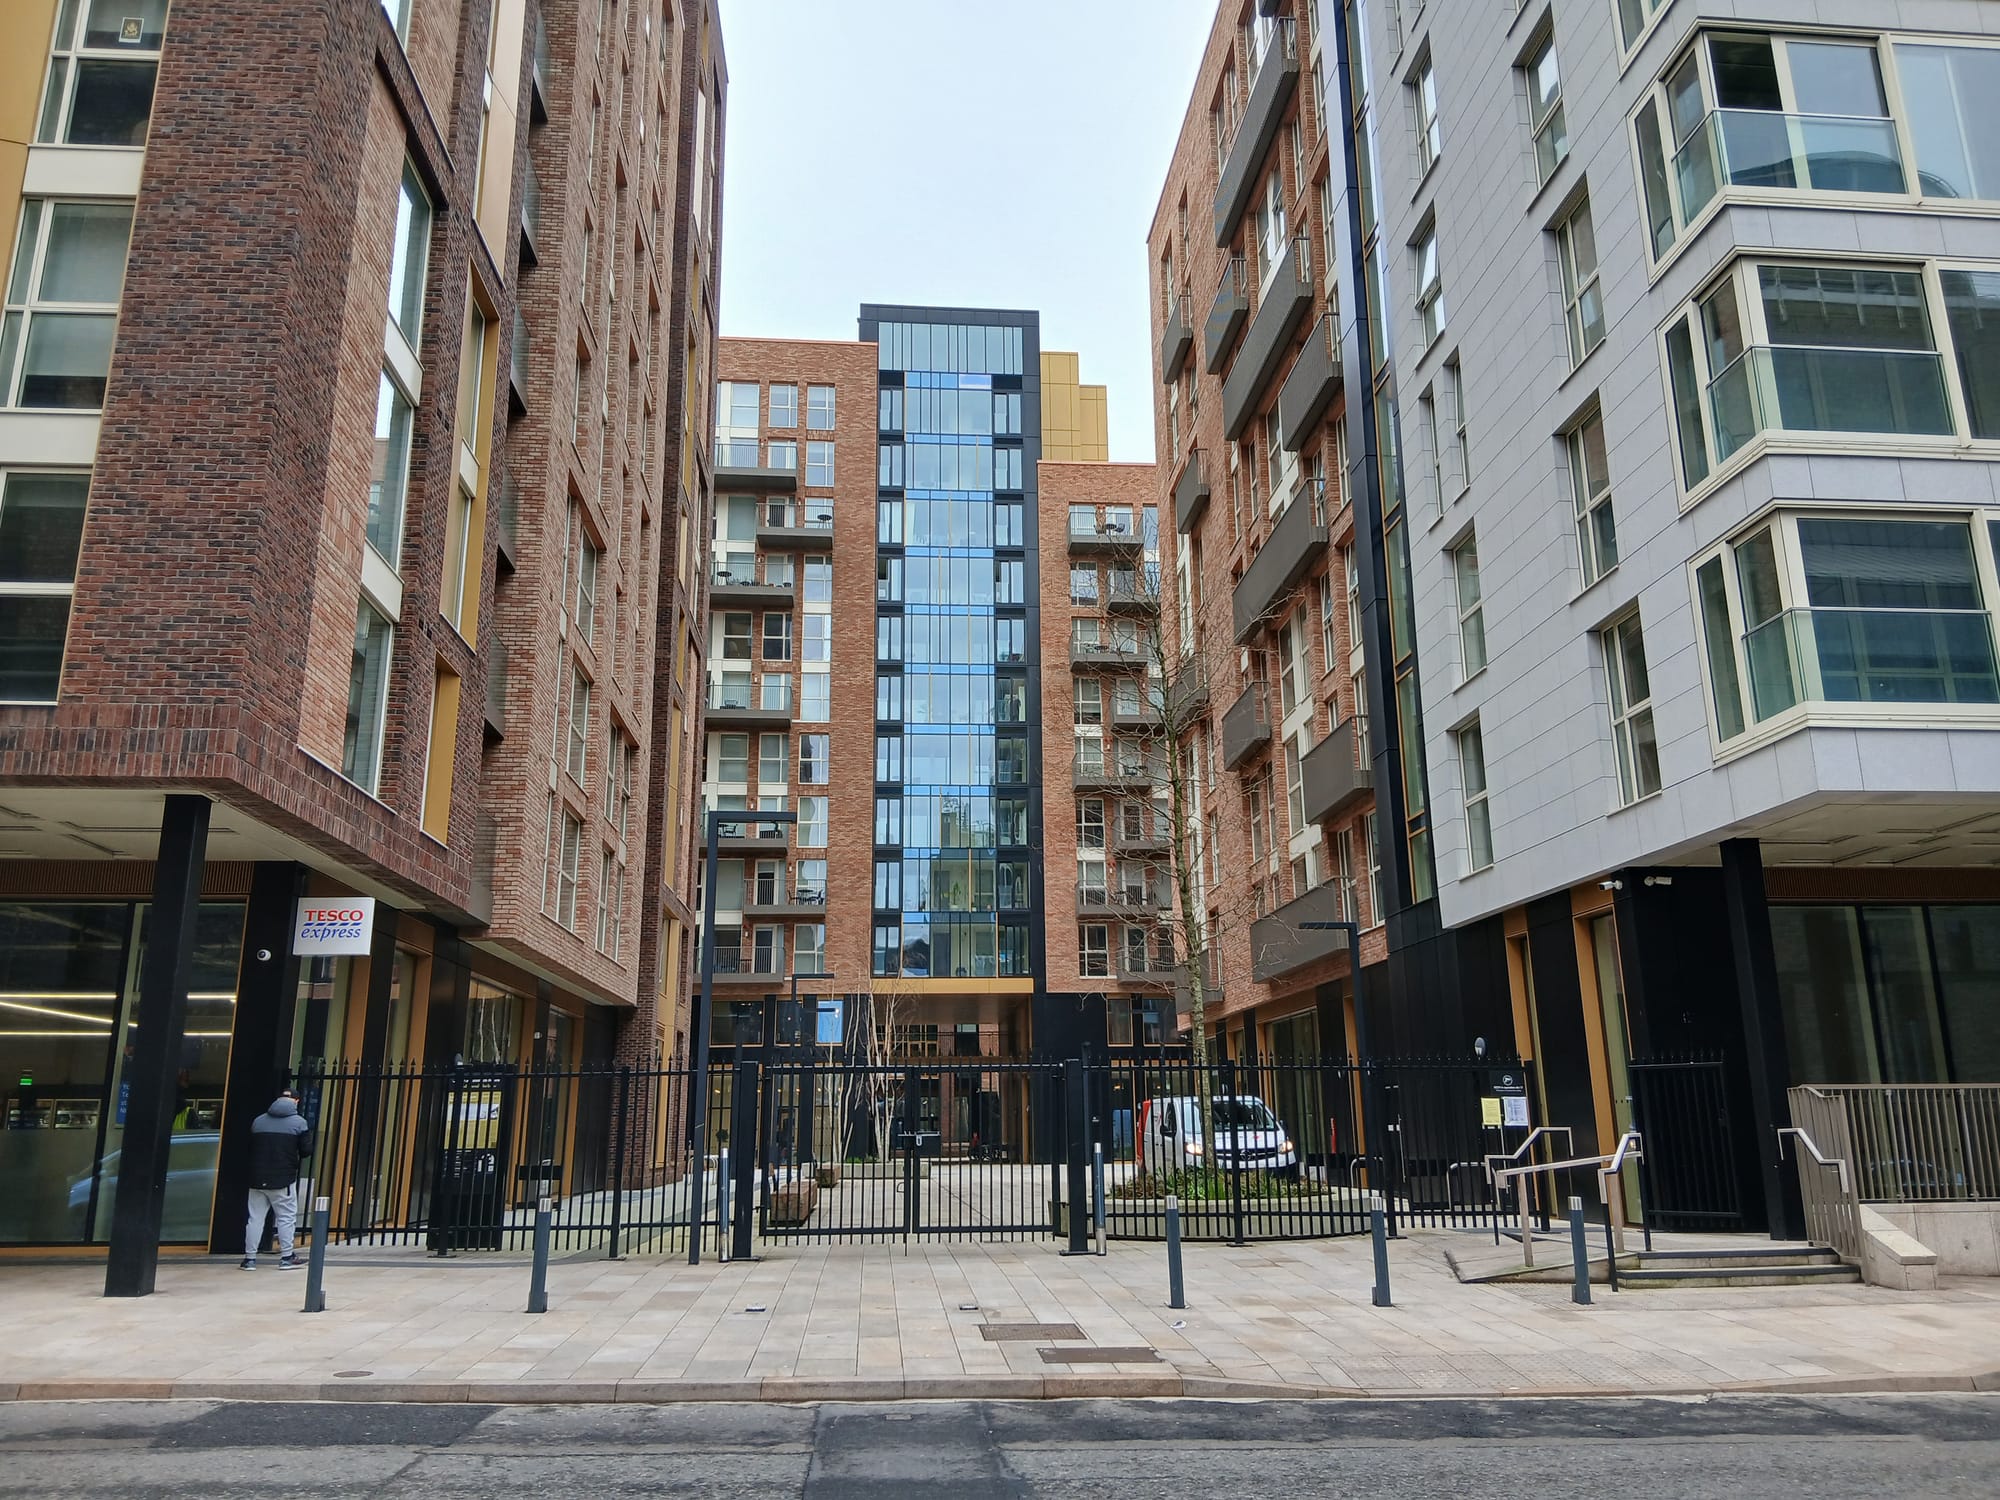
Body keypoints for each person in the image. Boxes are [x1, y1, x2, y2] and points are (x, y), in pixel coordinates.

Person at [243, 1091, 313, 1270]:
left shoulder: (258, 1121)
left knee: (255, 1218)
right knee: (286, 1218)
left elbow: (250, 1148)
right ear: (296, 1101)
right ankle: (286, 1257)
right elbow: (306, 1150)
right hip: (283, 1177)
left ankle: (249, 1259)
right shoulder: (299, 1122)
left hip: (257, 1178)